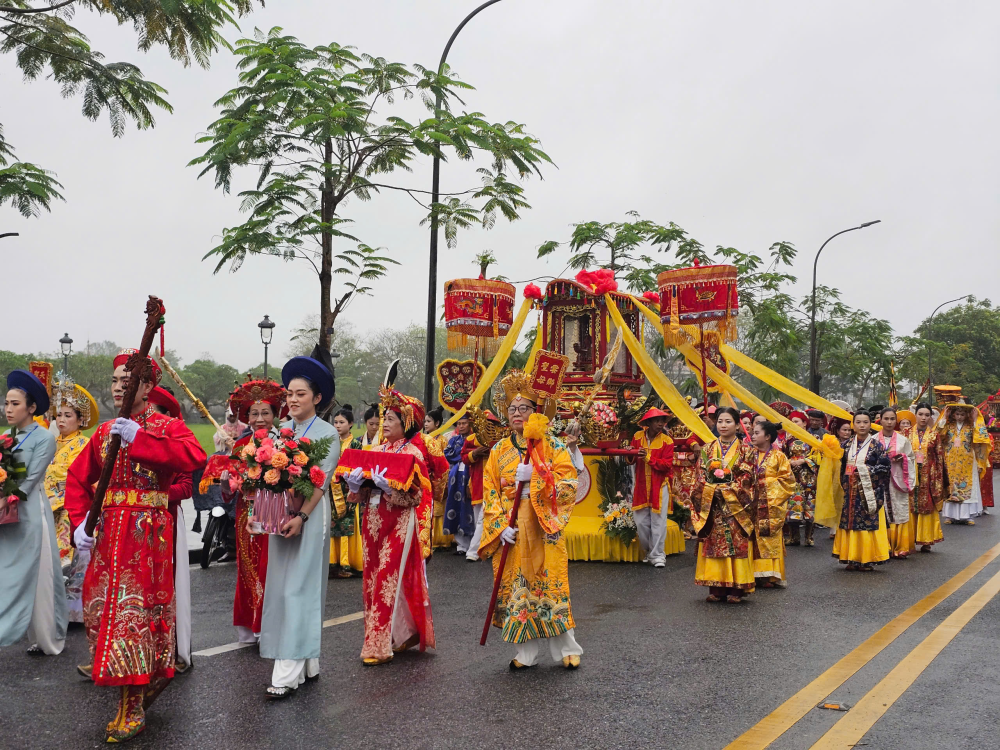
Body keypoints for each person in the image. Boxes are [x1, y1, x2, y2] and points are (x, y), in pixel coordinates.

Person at [65, 350, 207, 742]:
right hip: (110, 538)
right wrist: (81, 523)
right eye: (114, 381)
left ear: (148, 387)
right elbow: (78, 479)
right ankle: (140, 687)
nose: (118, 388)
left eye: (126, 382)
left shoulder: (166, 426)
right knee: (106, 615)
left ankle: (132, 703)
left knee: (136, 617)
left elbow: (194, 457)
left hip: (147, 537)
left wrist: (141, 439)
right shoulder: (103, 432)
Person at [480, 370, 580, 670]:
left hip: (543, 525)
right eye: (512, 408)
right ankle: (525, 653)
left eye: (523, 408)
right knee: (518, 588)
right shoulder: (499, 450)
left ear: (536, 412)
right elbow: (490, 490)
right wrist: (500, 526)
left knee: (551, 585)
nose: (517, 413)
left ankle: (567, 649)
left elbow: (568, 484)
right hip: (513, 527)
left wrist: (537, 476)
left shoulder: (553, 446)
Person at [256, 357, 339, 698]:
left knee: (299, 588)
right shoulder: (279, 431)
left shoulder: (327, 433)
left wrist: (301, 518)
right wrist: (259, 510)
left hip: (309, 515)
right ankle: (307, 662)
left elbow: (320, 484)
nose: (292, 399)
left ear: (317, 398)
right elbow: (266, 475)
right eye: (289, 393)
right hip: (280, 515)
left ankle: (286, 673)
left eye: (300, 394)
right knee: (281, 587)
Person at [344, 387, 435, 665]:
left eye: (391, 419)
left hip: (399, 522)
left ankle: (378, 646)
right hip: (372, 520)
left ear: (406, 424)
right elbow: (361, 493)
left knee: (386, 578)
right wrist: (354, 487)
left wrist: (390, 490)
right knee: (372, 579)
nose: (384, 423)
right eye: (384, 418)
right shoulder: (375, 450)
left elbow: (417, 496)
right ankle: (404, 633)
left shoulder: (413, 454)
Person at [1, 370, 64, 656]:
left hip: (30, 510)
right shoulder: (6, 437)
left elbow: (30, 480)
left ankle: (47, 637)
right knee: (8, 571)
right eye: (6, 403)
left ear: (32, 408)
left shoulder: (44, 438)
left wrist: (6, 498)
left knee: (39, 573)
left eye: (15, 404)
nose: (8, 409)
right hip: (6, 513)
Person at [224, 378, 286, 643]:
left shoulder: (285, 444)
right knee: (247, 568)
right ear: (246, 417)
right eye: (254, 413)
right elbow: (228, 489)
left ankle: (270, 625)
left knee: (270, 567)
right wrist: (228, 483)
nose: (260, 419)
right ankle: (249, 626)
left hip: (273, 510)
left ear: (275, 415)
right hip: (245, 514)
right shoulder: (239, 446)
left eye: (265, 413)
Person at [147, 385, 196, 673]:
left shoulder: (178, 445)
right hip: (135, 524)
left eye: (154, 412)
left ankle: (176, 650)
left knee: (169, 585)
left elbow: (186, 488)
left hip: (168, 521)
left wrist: (154, 497)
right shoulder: (131, 440)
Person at [46, 379, 99, 624]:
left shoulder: (84, 444)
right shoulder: (49, 442)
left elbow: (84, 478)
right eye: (59, 415)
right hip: (47, 507)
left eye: (68, 415)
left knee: (70, 561)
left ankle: (74, 612)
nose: (61, 420)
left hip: (70, 509)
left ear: (80, 420)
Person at [692, 407, 755, 603]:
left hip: (735, 507)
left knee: (736, 544)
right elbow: (699, 476)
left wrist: (728, 490)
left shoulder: (746, 450)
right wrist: (711, 489)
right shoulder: (707, 449)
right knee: (714, 543)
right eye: (720, 421)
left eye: (728, 421)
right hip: (713, 504)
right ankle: (716, 587)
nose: (723, 425)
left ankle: (737, 589)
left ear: (737, 425)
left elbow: (748, 477)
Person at [834, 411, 890, 572]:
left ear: (870, 424)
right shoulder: (845, 445)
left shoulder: (877, 446)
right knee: (849, 523)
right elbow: (839, 467)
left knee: (866, 523)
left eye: (865, 422)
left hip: (868, 491)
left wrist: (866, 471)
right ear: (853, 425)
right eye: (858, 422)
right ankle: (850, 557)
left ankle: (866, 559)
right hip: (848, 490)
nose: (862, 425)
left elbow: (885, 468)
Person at [749, 420, 795, 589]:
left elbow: (788, 481)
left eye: (757, 433)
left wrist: (765, 484)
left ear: (767, 437)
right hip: (750, 503)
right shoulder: (748, 455)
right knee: (751, 536)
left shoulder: (779, 457)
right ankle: (751, 573)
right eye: (752, 433)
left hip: (770, 505)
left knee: (768, 537)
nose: (753, 436)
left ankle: (769, 575)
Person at [627, 408, 675, 568]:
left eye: (662, 421)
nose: (660, 424)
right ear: (648, 422)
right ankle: (650, 551)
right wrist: (629, 453)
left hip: (660, 485)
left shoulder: (667, 441)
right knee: (640, 522)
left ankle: (658, 555)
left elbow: (667, 465)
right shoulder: (637, 437)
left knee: (658, 521)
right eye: (657, 420)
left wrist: (648, 458)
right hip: (641, 484)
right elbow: (632, 460)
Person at [938, 400, 990, 526]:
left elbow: (980, 439)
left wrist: (975, 420)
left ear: (966, 415)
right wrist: (944, 418)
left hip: (968, 461)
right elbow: (938, 435)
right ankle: (950, 515)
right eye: (957, 414)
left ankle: (967, 516)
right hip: (950, 460)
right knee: (950, 486)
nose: (960, 417)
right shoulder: (948, 426)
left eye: (962, 414)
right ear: (953, 414)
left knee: (967, 486)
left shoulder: (971, 426)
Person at [459, 410, 502, 561]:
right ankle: (487, 549)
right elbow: (464, 458)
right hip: (477, 483)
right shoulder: (471, 439)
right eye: (486, 424)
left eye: (491, 424)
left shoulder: (500, 440)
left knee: (483, 518)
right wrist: (475, 454)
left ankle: (473, 551)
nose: (488, 426)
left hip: (495, 482)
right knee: (479, 517)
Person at [876, 408, 916, 559]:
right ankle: (882, 546)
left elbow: (911, 458)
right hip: (879, 481)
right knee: (881, 511)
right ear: (880, 420)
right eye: (886, 419)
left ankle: (900, 547)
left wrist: (903, 458)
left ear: (896, 421)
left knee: (899, 509)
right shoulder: (873, 439)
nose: (889, 422)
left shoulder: (903, 440)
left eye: (892, 419)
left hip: (897, 480)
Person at [909, 402, 947, 552]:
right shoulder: (906, 433)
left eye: (927, 415)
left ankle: (926, 539)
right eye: (920, 414)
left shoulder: (934, 435)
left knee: (926, 505)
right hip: (910, 475)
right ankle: (909, 538)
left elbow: (939, 457)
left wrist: (937, 478)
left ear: (930, 417)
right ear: (915, 415)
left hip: (928, 476)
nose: (923, 418)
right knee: (909, 505)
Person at [330, 405, 362, 578]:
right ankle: (332, 562)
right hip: (331, 490)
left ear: (350, 424)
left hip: (348, 488)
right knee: (332, 524)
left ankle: (347, 562)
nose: (337, 425)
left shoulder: (355, 444)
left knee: (348, 525)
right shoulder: (331, 442)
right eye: (335, 422)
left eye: (341, 422)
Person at [784, 411, 818, 547]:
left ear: (805, 423)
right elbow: (783, 456)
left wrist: (803, 461)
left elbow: (818, 456)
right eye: (792, 422)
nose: (794, 424)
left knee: (810, 505)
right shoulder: (788, 440)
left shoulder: (813, 439)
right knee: (793, 505)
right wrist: (790, 463)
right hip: (793, 477)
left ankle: (809, 537)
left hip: (809, 477)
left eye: (796, 421)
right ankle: (794, 537)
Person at [442, 414, 474, 555]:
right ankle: (461, 545)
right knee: (455, 506)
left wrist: (464, 454)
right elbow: (447, 454)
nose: (461, 426)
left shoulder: (475, 439)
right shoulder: (454, 440)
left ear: (470, 424)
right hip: (455, 477)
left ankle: (472, 544)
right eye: (459, 423)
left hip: (470, 475)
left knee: (469, 508)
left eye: (464, 423)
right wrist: (464, 454)